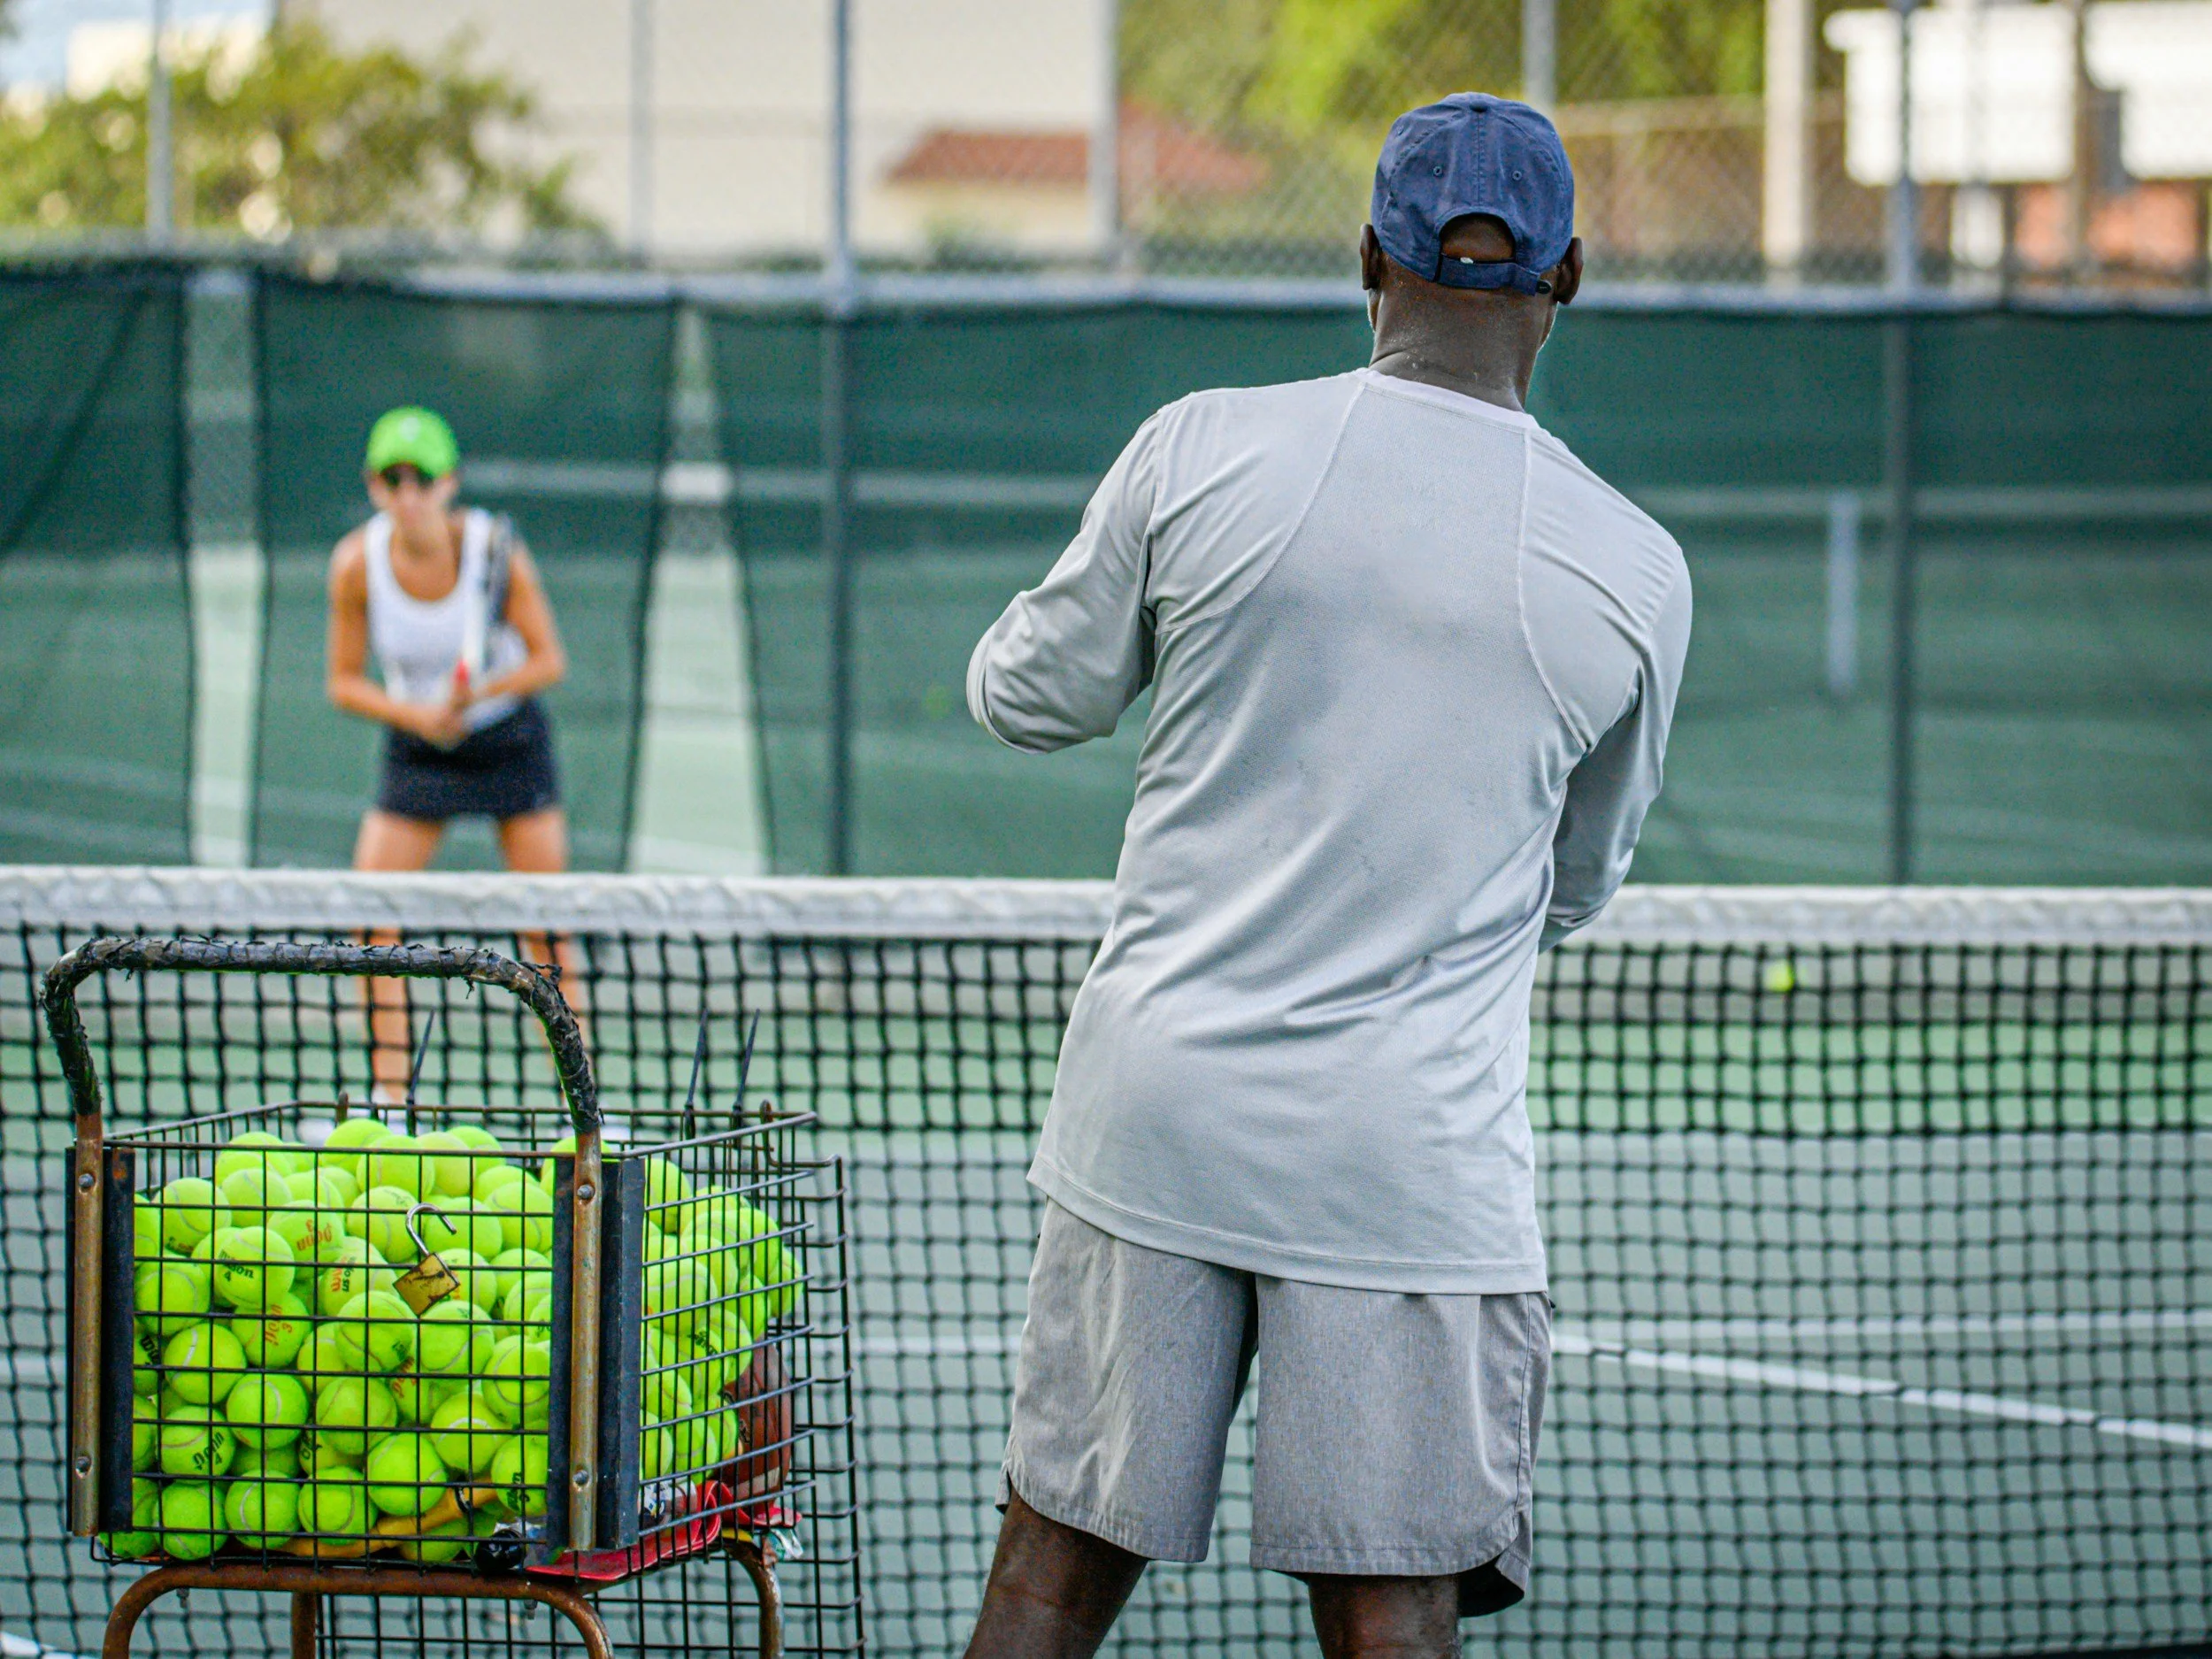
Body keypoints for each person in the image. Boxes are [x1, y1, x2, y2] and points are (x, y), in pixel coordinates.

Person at [960, 94, 1691, 1659]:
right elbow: (1579, 879)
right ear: (1567, 283)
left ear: (1368, 255)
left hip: (1156, 1115)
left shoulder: (1198, 449)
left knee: (1052, 1564)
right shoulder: (1634, 571)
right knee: (1390, 1608)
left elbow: (1029, 696)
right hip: (1409, 1163)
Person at [325, 405, 572, 1097]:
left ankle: (581, 1108)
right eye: (391, 479)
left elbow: (549, 659)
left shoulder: (498, 551)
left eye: (422, 478)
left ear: (450, 482)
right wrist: (418, 714)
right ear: (375, 486)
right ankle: (388, 1099)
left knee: (546, 927)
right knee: (372, 916)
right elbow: (343, 682)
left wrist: (480, 691)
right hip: (419, 747)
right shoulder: (354, 566)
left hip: (507, 741)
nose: (408, 495)